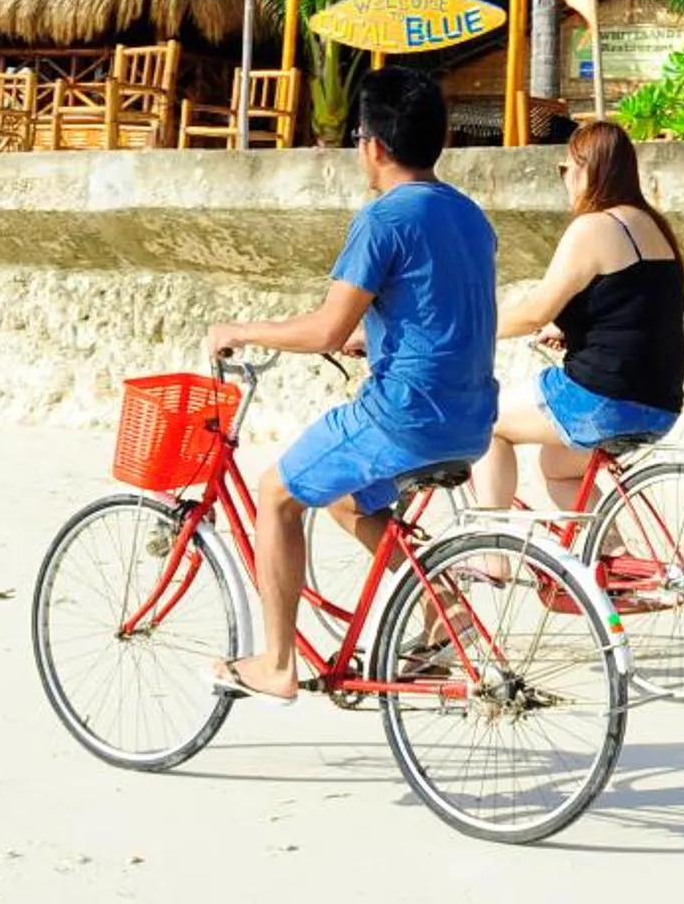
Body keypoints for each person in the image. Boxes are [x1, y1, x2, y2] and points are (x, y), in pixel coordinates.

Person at [204, 67, 497, 702]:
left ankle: (276, 664)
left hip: (404, 414)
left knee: (277, 494)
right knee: (346, 498)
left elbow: (326, 330)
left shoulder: (384, 218)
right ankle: (443, 602)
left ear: (373, 144)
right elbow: (438, 309)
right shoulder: (469, 215)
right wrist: (381, 338)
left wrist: (242, 328)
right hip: (471, 418)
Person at [470, 119, 684, 516]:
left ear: (588, 168)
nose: (565, 179)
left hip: (603, 398)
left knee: (483, 420)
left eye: (565, 169)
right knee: (557, 468)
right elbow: (631, 310)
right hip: (659, 401)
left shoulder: (593, 228)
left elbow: (534, 312)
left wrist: (470, 333)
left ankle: (491, 552)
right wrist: (568, 329)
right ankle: (610, 563)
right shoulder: (653, 225)